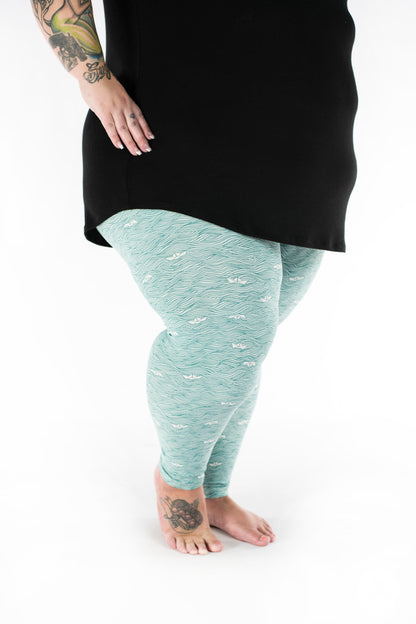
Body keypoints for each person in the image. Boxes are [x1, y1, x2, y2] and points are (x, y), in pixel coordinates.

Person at [31, 0, 358, 555]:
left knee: (243, 346)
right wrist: (92, 78)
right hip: (167, 138)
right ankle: (179, 485)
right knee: (226, 336)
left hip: (304, 158)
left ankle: (214, 490)